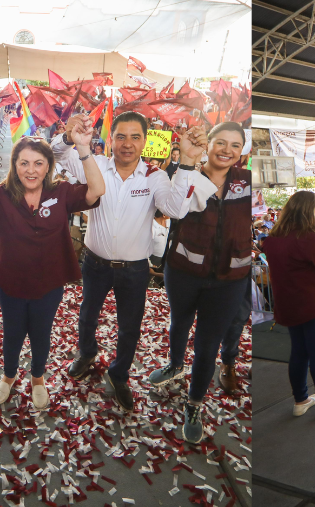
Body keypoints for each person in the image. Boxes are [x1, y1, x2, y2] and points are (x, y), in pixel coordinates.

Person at [0, 119, 104, 409]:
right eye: (24, 163)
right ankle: (9, 375)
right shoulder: (0, 195)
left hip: (49, 284)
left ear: (48, 166)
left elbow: (97, 189)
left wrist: (82, 147)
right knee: (13, 333)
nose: (31, 170)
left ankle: (37, 378)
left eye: (38, 163)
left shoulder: (61, 192)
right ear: (14, 165)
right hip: (12, 283)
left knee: (41, 334)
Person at [52, 111, 205, 411]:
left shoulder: (154, 176)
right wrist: (70, 137)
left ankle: (119, 373)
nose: (127, 144)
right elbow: (58, 154)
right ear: (111, 139)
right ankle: (87, 353)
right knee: (87, 315)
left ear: (145, 141)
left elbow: (175, 210)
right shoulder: (94, 164)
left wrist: (187, 161)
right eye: (121, 136)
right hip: (95, 263)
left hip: (134, 270)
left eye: (135, 137)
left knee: (130, 327)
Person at [145, 122, 251, 443]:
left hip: (230, 279)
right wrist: (187, 163)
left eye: (235, 145)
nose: (227, 150)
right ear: (208, 144)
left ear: (242, 151)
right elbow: (170, 210)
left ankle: (194, 403)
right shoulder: (186, 174)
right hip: (183, 270)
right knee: (179, 322)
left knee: (208, 344)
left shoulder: (247, 181)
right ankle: (175, 364)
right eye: (221, 142)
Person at [262, 190, 315, 418]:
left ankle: (300, 400)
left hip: (288, 302)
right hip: (314, 303)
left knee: (299, 352)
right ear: (308, 212)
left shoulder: (271, 240)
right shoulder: (310, 239)